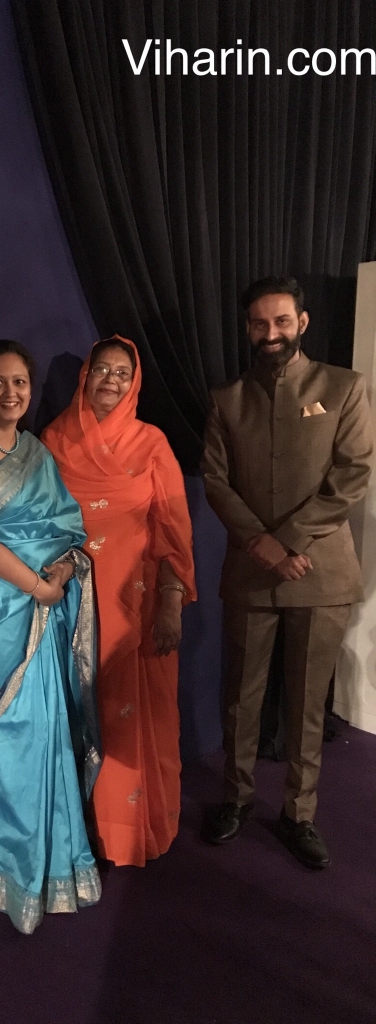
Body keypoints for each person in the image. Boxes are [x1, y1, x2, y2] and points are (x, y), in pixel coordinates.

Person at [201, 276, 373, 868]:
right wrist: (264, 547)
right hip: (252, 574)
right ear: (247, 328)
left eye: (280, 322)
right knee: (241, 699)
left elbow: (352, 475)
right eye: (258, 323)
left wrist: (289, 541)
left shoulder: (344, 388)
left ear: (301, 322)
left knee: (305, 704)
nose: (269, 333)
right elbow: (217, 483)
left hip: (319, 575)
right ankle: (237, 798)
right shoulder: (227, 399)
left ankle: (300, 814)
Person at [0, 339, 101, 935]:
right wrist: (37, 589)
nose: (11, 394)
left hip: (44, 610)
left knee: (44, 734)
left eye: (20, 384)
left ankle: (48, 861)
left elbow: (65, 527)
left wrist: (60, 570)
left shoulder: (36, 450)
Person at [42, 336, 196, 867]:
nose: (111, 380)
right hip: (72, 602)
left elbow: (173, 530)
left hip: (139, 603)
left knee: (137, 719)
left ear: (135, 384)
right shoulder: (55, 438)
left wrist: (171, 604)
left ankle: (132, 830)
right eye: (102, 369)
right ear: (85, 374)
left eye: (122, 373)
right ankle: (83, 832)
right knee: (77, 713)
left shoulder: (151, 442)